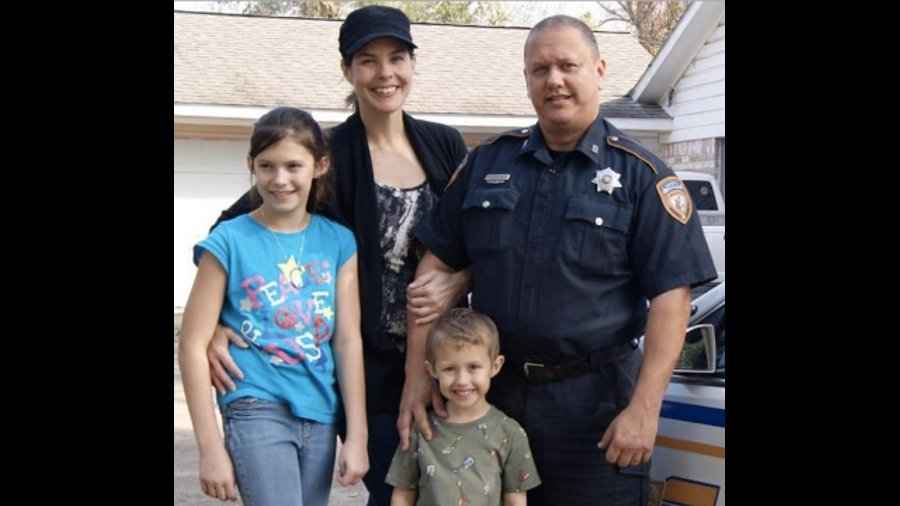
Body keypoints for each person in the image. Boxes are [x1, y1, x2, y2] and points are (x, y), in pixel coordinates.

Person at [399, 15, 718, 506]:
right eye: (540, 68)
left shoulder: (641, 176)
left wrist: (644, 409)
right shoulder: (489, 165)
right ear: (526, 79)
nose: (554, 80)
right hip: (491, 401)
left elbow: (671, 299)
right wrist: (418, 378)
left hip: (596, 407)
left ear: (599, 69)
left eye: (568, 65)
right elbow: (433, 275)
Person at [204, 6, 471, 505]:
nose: (385, 73)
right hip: (362, 368)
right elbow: (234, 230)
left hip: (440, 363)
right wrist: (222, 318)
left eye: (397, 58)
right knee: (396, 489)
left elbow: (475, 238)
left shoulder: (443, 144)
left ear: (413, 63)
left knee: (439, 492)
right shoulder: (329, 153)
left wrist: (459, 282)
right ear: (347, 70)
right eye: (367, 61)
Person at [178, 107, 368, 505]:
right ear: (251, 165)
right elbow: (192, 344)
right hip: (254, 407)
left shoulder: (338, 243)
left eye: (293, 165)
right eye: (267, 166)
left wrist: (358, 437)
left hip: (320, 413)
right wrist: (211, 450)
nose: (280, 179)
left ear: (320, 166)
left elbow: (347, 341)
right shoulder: (228, 241)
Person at [386, 308, 540, 506]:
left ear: (495, 366)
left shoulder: (510, 433)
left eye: (474, 367)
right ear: (431, 370)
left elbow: (516, 500)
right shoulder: (421, 431)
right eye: (450, 369)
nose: (462, 380)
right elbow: (402, 496)